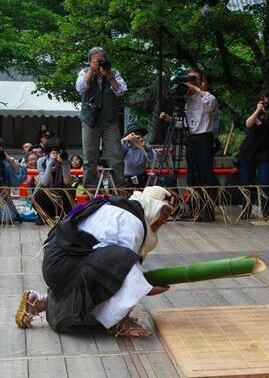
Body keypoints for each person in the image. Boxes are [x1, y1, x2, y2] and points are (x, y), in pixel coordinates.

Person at [16, 186, 176, 338]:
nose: (165, 220)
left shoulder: (122, 209)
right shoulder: (130, 220)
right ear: (153, 207)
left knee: (96, 313)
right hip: (65, 264)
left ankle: (38, 301)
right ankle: (120, 324)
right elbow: (122, 266)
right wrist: (144, 288)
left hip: (64, 264)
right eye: (165, 212)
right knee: (110, 302)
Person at [161, 69, 218, 222]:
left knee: (205, 175)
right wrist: (169, 119)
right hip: (191, 139)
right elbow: (184, 123)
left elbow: (211, 103)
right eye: (189, 79)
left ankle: (207, 210)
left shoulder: (205, 97)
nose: (190, 82)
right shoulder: (187, 99)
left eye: (195, 79)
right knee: (192, 175)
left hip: (204, 139)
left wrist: (195, 88)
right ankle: (194, 208)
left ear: (201, 82)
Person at [76, 46, 128, 188]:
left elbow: (122, 90)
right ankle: (90, 190)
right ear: (89, 61)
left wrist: (109, 75)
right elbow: (80, 88)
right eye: (96, 61)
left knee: (116, 157)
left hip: (110, 121)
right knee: (89, 159)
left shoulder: (113, 73)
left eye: (102, 60)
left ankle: (119, 189)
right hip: (90, 121)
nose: (100, 63)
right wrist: (91, 70)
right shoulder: (84, 72)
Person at [239, 89, 269, 187]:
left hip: (265, 153)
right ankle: (247, 202)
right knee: (246, 183)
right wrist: (257, 110)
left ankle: (263, 201)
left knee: (264, 183)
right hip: (249, 150)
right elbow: (248, 124)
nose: (266, 105)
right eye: (264, 102)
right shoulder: (257, 110)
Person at [32, 139, 74, 224]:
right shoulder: (42, 161)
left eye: (59, 151)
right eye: (54, 152)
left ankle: (64, 216)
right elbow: (44, 182)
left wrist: (64, 164)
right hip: (46, 194)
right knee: (41, 191)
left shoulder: (65, 161)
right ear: (49, 151)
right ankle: (43, 217)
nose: (57, 154)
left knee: (70, 189)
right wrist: (50, 163)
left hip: (60, 195)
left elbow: (67, 182)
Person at [0, 138, 26, 222]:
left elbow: (19, 177)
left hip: (3, 196)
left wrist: (10, 160)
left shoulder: (5, 162)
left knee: (7, 218)